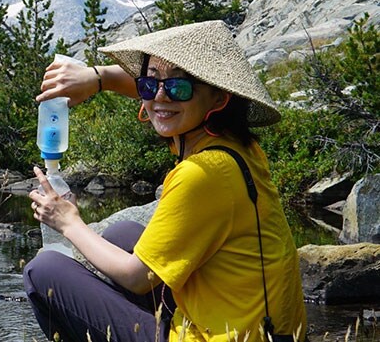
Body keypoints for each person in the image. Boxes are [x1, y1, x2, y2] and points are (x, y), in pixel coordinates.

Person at [23, 20, 307, 342]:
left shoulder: (202, 173)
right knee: (123, 234)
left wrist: (69, 222)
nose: (160, 98)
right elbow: (165, 99)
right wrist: (97, 79)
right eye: (148, 84)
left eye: (178, 87)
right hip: (271, 333)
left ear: (218, 98)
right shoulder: (236, 146)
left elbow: (136, 278)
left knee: (44, 269)